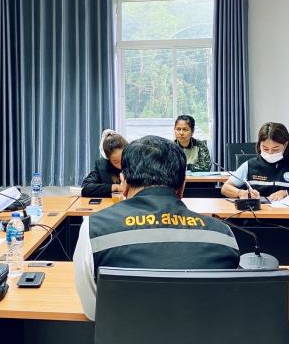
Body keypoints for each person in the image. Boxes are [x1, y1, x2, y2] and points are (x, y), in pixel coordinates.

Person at [74, 135, 239, 320]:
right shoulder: (223, 236)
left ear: (124, 183)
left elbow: (92, 311)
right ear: (182, 186)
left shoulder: (94, 229)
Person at [221, 122, 289, 201]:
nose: (270, 152)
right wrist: (241, 193)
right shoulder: (250, 165)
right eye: (265, 148)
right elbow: (225, 188)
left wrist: (286, 192)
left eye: (275, 149)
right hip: (257, 208)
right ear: (259, 145)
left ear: (285, 144)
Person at [81, 129, 128, 197]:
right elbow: (86, 188)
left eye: (123, 159)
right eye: (115, 162)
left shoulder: (136, 162)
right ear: (108, 159)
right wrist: (116, 187)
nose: (121, 165)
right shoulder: (102, 165)